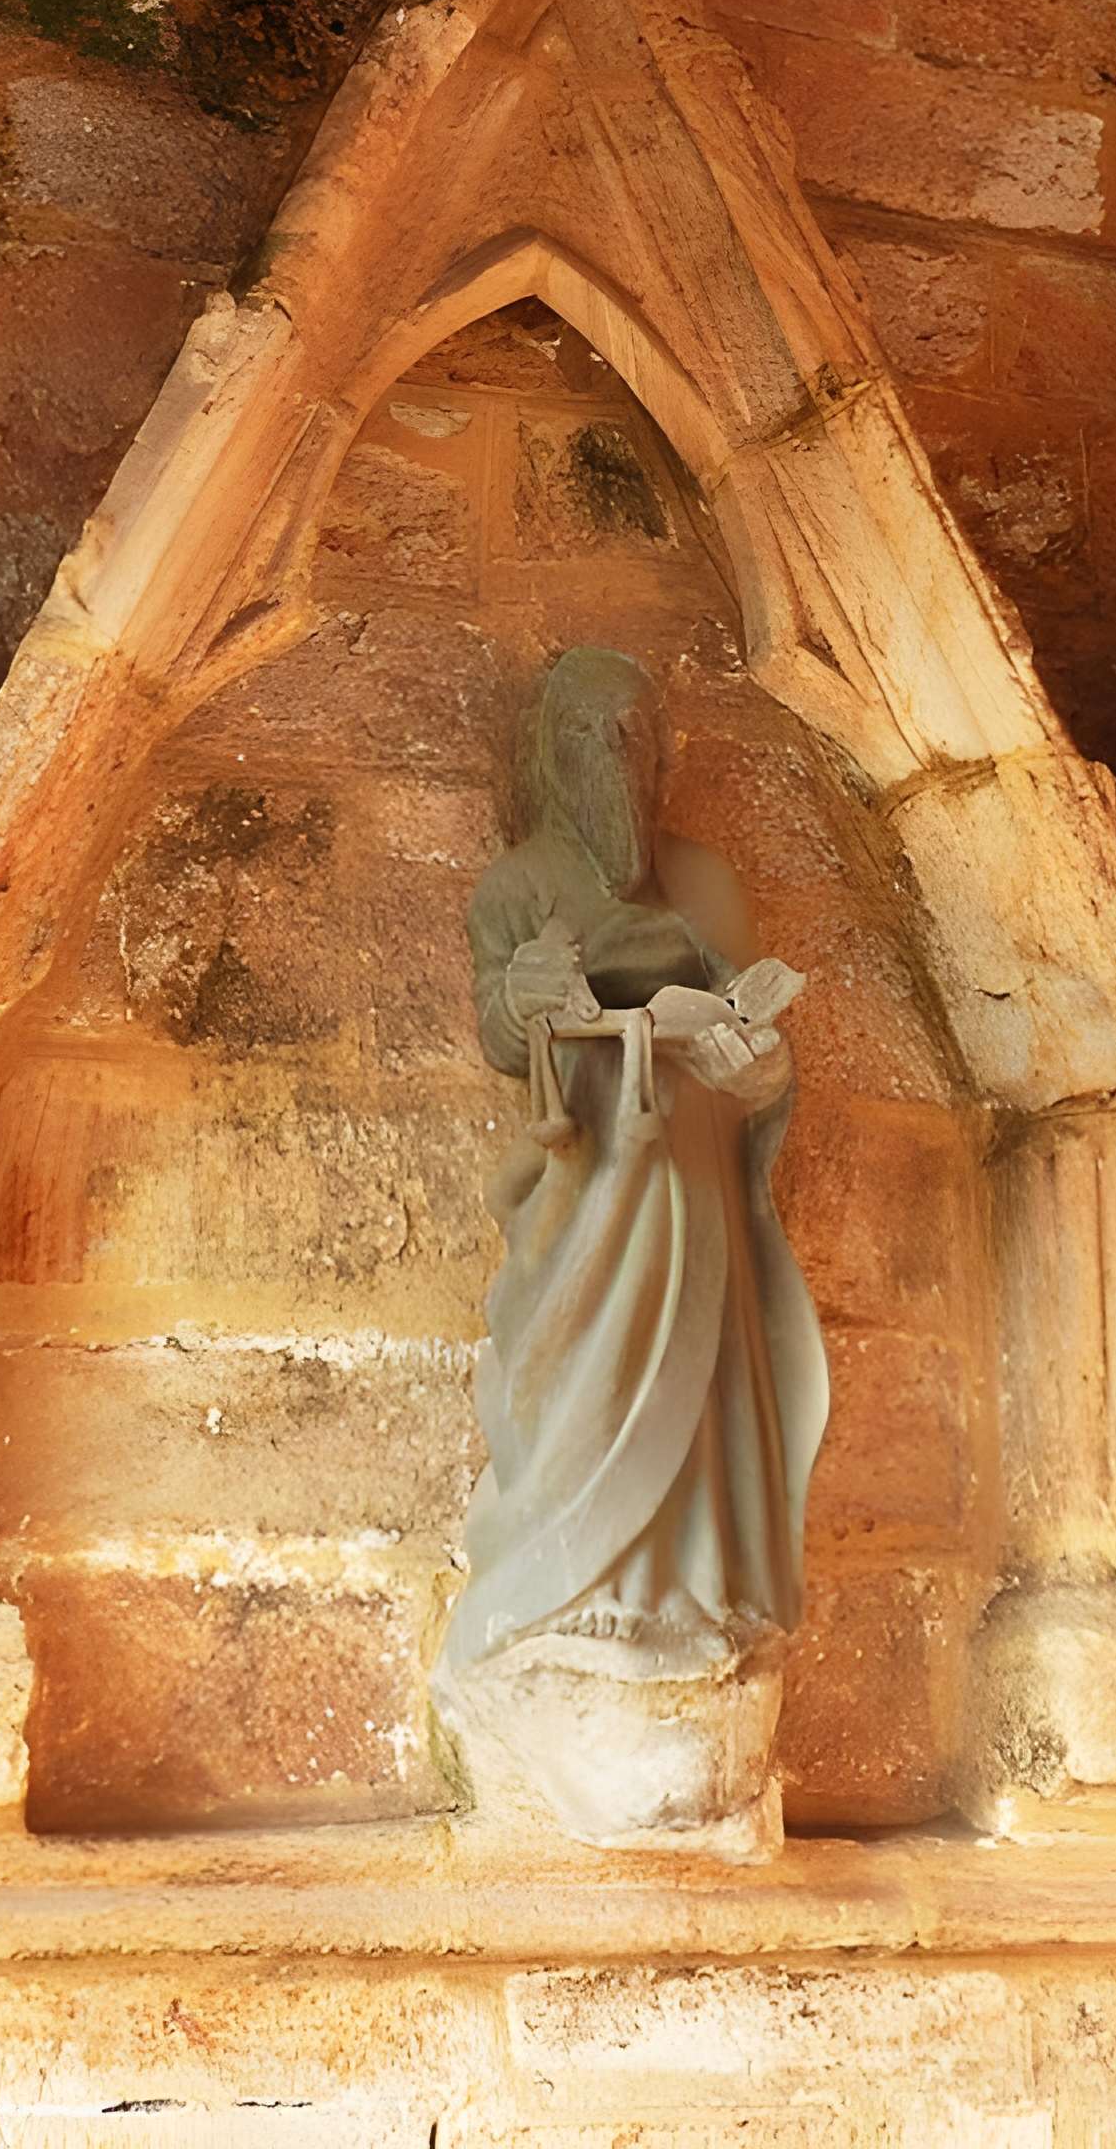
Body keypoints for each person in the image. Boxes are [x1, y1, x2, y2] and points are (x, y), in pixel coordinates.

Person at [443, 646, 826, 1689]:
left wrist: (754, 1061)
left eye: (630, 734)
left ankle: (682, 1588)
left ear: (660, 757)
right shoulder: (519, 884)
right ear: (547, 755)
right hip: (589, 1167)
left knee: (692, 1372)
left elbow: (754, 1023)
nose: (609, 754)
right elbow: (494, 1025)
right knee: (577, 1366)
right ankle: (568, 1586)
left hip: (690, 1155)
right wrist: (526, 998)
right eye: (584, 734)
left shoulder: (700, 879)